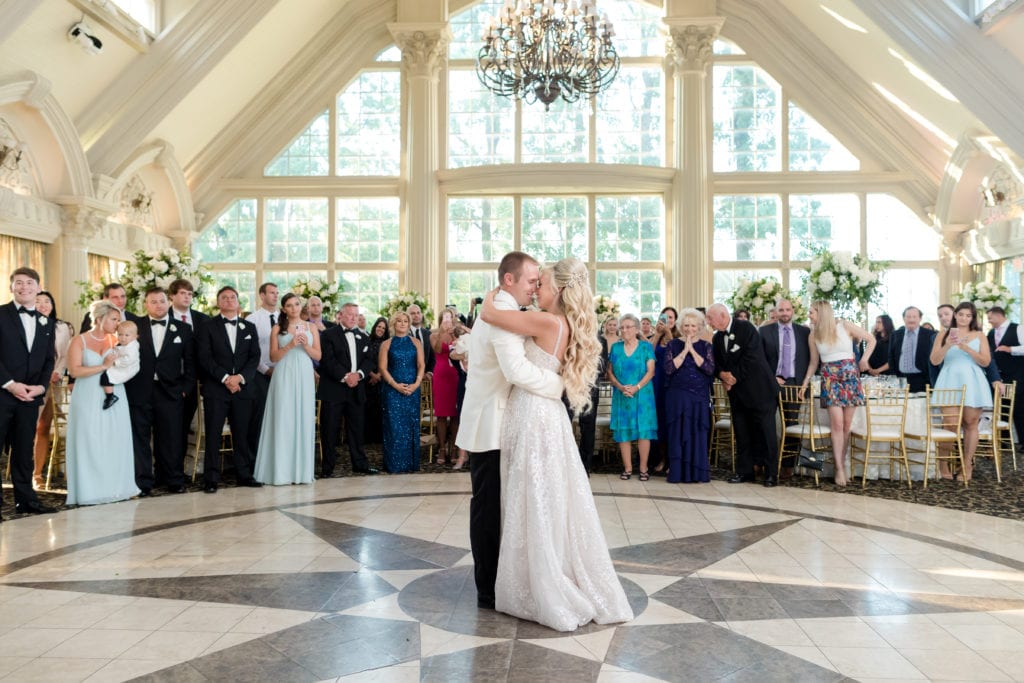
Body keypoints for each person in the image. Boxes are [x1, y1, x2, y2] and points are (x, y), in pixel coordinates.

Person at [479, 256, 632, 632]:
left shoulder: (547, 321)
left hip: (534, 413)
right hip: (547, 413)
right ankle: (547, 570)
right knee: (546, 496)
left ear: (560, 290)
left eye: (542, 285)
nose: (536, 291)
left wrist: (493, 293)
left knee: (532, 495)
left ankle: (542, 583)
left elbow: (490, 315)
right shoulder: (564, 324)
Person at [455, 251, 564, 612]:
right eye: (532, 280)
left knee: (495, 506)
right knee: (487, 508)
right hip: (491, 422)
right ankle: (487, 589)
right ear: (509, 280)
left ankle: (499, 580)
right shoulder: (504, 314)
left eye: (539, 282)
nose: (535, 287)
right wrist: (556, 386)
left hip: (499, 416)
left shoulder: (501, 309)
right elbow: (516, 371)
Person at [66, 300, 139, 505]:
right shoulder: (79, 341)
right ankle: (89, 491)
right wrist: (103, 366)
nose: (118, 324)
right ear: (100, 319)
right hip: (87, 395)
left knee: (114, 440)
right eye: (114, 319)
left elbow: (131, 360)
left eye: (118, 320)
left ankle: (116, 488)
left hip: (115, 395)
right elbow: (74, 371)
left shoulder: (117, 341)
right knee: (88, 441)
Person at [125, 287, 195, 496]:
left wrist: (185, 389)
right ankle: (143, 481)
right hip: (139, 390)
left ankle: (173, 478)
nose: (158, 305)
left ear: (169, 302)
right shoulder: (134, 326)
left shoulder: (183, 329)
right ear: (146, 304)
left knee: (171, 437)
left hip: (171, 391)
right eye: (153, 302)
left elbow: (190, 363)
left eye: (162, 301)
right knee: (140, 437)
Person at [195, 286, 264, 493]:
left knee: (242, 434)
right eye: (224, 297)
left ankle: (244, 474)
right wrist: (226, 378)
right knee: (214, 434)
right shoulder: (207, 327)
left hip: (242, 389)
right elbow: (204, 358)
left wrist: (240, 378)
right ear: (218, 303)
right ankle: (211, 478)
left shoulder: (249, 327)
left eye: (232, 297)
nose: (228, 300)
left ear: (238, 302)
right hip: (216, 389)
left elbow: (254, 357)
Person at [1, 267, 58, 515]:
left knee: (24, 450)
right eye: (19, 283)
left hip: (30, 397)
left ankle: (26, 500)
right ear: (11, 287)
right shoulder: (1, 314)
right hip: (2, 393)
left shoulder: (47, 322)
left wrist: (41, 387)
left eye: (29, 283)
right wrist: (10, 384)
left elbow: (48, 360)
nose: (24, 287)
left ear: (37, 287)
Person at [800, 301, 875, 487]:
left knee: (846, 425)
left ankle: (841, 463)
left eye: (811, 312)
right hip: (830, 379)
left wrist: (864, 359)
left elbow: (871, 339)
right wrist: (805, 383)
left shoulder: (845, 326)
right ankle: (839, 469)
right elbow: (813, 363)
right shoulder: (813, 335)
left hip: (851, 377)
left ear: (822, 312)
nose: (809, 315)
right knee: (837, 423)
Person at [708, 302, 780, 487]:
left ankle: (771, 473)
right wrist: (722, 375)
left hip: (760, 391)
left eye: (710, 318)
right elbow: (714, 363)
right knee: (742, 433)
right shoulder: (716, 338)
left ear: (723, 315)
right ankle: (745, 471)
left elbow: (752, 356)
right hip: (737, 394)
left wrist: (733, 377)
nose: (708, 322)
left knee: (766, 433)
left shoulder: (745, 327)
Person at [254, 292, 320, 485]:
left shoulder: (311, 327)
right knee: (283, 417)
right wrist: (291, 344)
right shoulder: (277, 329)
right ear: (284, 309)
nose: (294, 308)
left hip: (304, 373)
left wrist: (305, 345)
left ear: (301, 306)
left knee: (303, 416)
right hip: (283, 372)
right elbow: (273, 357)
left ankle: (301, 472)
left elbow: (318, 355)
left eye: (297, 304)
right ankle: (279, 471)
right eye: (289, 305)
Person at [927, 301, 990, 481]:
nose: (964, 318)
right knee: (950, 425)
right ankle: (943, 463)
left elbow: (985, 361)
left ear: (973, 318)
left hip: (973, 381)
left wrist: (966, 348)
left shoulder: (979, 335)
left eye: (968, 315)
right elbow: (934, 361)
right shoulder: (942, 334)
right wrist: (947, 344)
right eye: (961, 314)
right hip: (949, 380)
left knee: (971, 423)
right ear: (955, 315)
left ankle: (967, 465)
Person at [318, 302, 378, 476]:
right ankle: (327, 468)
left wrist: (358, 375)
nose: (354, 318)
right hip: (333, 389)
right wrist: (346, 377)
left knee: (357, 429)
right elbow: (327, 361)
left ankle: (360, 464)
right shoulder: (328, 335)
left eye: (356, 315)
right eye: (350, 314)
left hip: (356, 390)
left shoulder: (364, 336)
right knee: (330, 430)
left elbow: (369, 360)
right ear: (340, 315)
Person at [760, 298, 812, 478]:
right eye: (781, 310)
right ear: (776, 312)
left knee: (791, 424)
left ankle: (788, 465)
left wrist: (804, 383)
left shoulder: (805, 332)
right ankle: (763, 462)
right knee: (765, 424)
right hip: (770, 383)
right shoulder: (765, 331)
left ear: (793, 311)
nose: (784, 313)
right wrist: (771, 377)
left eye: (787, 310)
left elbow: (812, 359)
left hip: (794, 384)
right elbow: (759, 358)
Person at [662, 308, 715, 483]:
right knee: (678, 433)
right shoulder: (673, 345)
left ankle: (697, 473)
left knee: (697, 433)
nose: (689, 329)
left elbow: (708, 369)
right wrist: (685, 350)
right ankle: (677, 473)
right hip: (677, 396)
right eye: (686, 325)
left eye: (693, 325)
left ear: (699, 326)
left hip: (699, 396)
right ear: (680, 326)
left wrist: (693, 350)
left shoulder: (706, 346)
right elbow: (669, 369)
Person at [607, 313, 657, 481]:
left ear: (636, 329)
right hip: (622, 395)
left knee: (644, 432)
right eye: (622, 327)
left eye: (628, 327)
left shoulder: (646, 347)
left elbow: (651, 372)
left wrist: (636, 387)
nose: (624, 330)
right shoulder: (615, 348)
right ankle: (627, 468)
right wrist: (620, 387)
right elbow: (610, 372)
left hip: (643, 395)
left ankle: (643, 468)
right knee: (624, 431)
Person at [32, 290, 74, 489]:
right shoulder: (27, 324)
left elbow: (66, 354)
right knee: (27, 428)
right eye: (38, 301)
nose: (42, 304)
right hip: (28, 383)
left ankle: (37, 474)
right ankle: (22, 470)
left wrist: (57, 372)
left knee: (42, 427)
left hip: (53, 382)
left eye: (46, 301)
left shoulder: (62, 327)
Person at [168, 278, 210, 467]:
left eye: (190, 294)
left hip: (192, 381)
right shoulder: (163, 316)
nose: (187, 297)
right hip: (165, 380)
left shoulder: (202, 319)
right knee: (166, 428)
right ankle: (163, 468)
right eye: (183, 293)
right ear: (172, 296)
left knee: (184, 427)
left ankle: (179, 469)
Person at [378, 310, 424, 473]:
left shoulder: (416, 342)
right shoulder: (386, 344)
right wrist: (395, 385)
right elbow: (382, 368)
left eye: (405, 321)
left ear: (409, 324)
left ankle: (411, 464)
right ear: (393, 324)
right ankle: (394, 464)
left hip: (412, 390)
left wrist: (416, 384)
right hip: (392, 391)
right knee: (394, 426)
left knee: (411, 425)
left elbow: (421, 365)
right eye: (399, 321)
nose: (403, 323)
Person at [246, 282, 279, 457]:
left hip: (283, 374)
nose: (275, 296)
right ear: (262, 295)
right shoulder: (253, 319)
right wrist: (266, 370)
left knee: (280, 416)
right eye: (271, 292)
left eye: (277, 293)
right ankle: (257, 458)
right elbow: (251, 351)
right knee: (260, 417)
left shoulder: (284, 318)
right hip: (260, 375)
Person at [987, 306, 1024, 444]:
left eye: (990, 317)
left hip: (1017, 375)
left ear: (998, 315)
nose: (989, 321)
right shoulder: (991, 333)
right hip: (997, 377)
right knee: (1000, 406)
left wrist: (1010, 349)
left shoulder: (1018, 328)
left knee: (1019, 408)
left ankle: (1023, 442)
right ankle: (1003, 440)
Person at [649, 307, 679, 474]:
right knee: (659, 420)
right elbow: (650, 353)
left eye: (671, 317)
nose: (668, 320)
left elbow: (676, 351)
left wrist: (668, 333)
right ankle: (661, 457)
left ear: (675, 319)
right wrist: (658, 335)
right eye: (664, 316)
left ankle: (672, 459)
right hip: (657, 380)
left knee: (670, 421)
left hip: (672, 381)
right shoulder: (658, 335)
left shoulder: (679, 336)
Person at [429, 307, 461, 463]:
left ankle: (454, 448)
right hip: (441, 376)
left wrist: (456, 333)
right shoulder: (434, 335)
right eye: (444, 318)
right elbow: (436, 349)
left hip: (455, 375)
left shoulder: (458, 335)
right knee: (441, 415)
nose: (447, 320)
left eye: (450, 318)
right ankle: (442, 449)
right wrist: (442, 333)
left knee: (455, 414)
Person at [889, 306, 935, 393]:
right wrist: (894, 376)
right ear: (903, 318)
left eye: (914, 317)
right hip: (901, 379)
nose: (911, 320)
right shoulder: (895, 334)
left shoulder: (930, 335)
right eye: (908, 316)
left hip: (923, 380)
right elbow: (891, 357)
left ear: (920, 318)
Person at [98, 320, 140, 409]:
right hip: (123, 365)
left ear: (135, 337)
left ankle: (110, 396)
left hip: (128, 368)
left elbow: (129, 360)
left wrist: (115, 362)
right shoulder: (125, 344)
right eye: (120, 334)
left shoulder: (132, 348)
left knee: (105, 377)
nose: (123, 338)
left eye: (127, 335)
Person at [364, 316, 389, 445]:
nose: (380, 330)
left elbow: (388, 361)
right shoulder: (367, 341)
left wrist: (379, 375)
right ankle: (368, 437)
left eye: (383, 328)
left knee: (380, 408)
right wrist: (372, 375)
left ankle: (379, 437)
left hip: (382, 380)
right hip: (368, 380)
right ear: (375, 327)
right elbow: (362, 360)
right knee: (367, 408)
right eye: (379, 327)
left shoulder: (387, 343)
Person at [407, 304, 435, 377]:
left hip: (425, 377)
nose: (416, 315)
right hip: (408, 377)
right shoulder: (404, 334)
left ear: (421, 315)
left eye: (418, 313)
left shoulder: (428, 334)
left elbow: (432, 356)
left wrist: (429, 372)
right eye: (413, 313)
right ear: (408, 316)